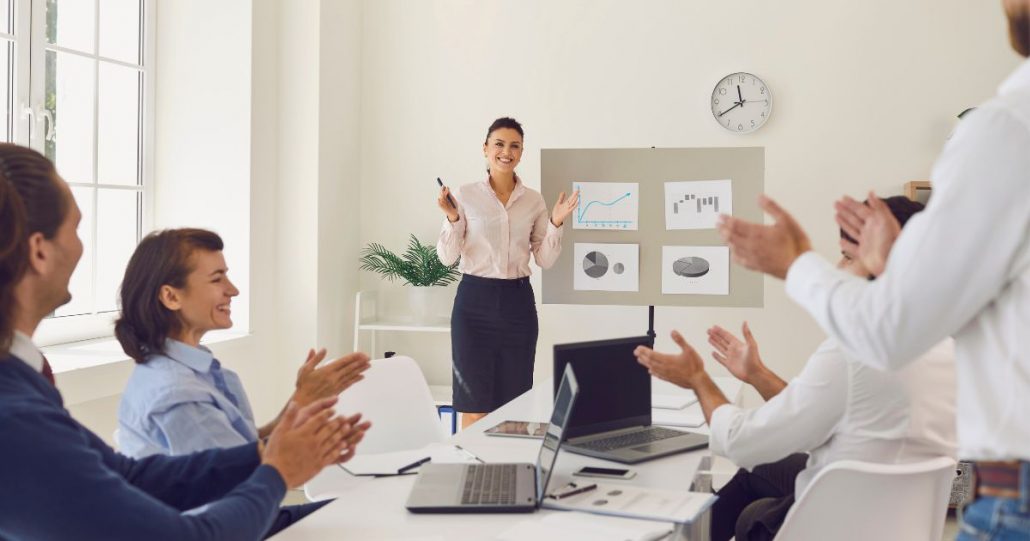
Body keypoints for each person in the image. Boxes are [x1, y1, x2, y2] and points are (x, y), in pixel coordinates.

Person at [716, 3, 1030, 538]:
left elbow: (885, 336)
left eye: (851, 251)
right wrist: (896, 269)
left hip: (1011, 494)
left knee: (749, 491)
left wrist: (795, 264)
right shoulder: (941, 347)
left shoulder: (1008, 128)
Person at [0, 143, 369, 540]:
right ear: (39, 250)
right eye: (74, 228)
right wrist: (278, 471)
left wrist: (267, 455)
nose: (80, 246)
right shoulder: (16, 413)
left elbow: (127, 476)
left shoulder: (21, 379)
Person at [636, 197, 957, 541]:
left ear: (883, 264)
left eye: (849, 256)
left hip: (836, 523)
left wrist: (699, 380)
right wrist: (757, 373)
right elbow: (826, 410)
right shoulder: (947, 340)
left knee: (754, 511)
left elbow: (741, 442)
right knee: (759, 471)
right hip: (894, 519)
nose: (837, 267)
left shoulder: (854, 352)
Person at [115, 228, 371, 457]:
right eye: (217, 279)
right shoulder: (178, 395)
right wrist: (308, 414)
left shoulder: (193, 371)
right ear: (171, 296)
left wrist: (302, 401)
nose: (233, 290)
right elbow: (240, 478)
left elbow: (244, 449)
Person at [436, 117, 579, 429]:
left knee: (514, 406)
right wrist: (451, 218)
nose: (506, 151)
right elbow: (447, 257)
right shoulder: (465, 195)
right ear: (485, 149)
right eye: (499, 144)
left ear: (521, 152)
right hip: (474, 304)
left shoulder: (533, 200)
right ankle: (474, 472)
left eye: (514, 146)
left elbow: (545, 259)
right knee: (474, 406)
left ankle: (507, 474)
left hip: (517, 305)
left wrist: (555, 223)